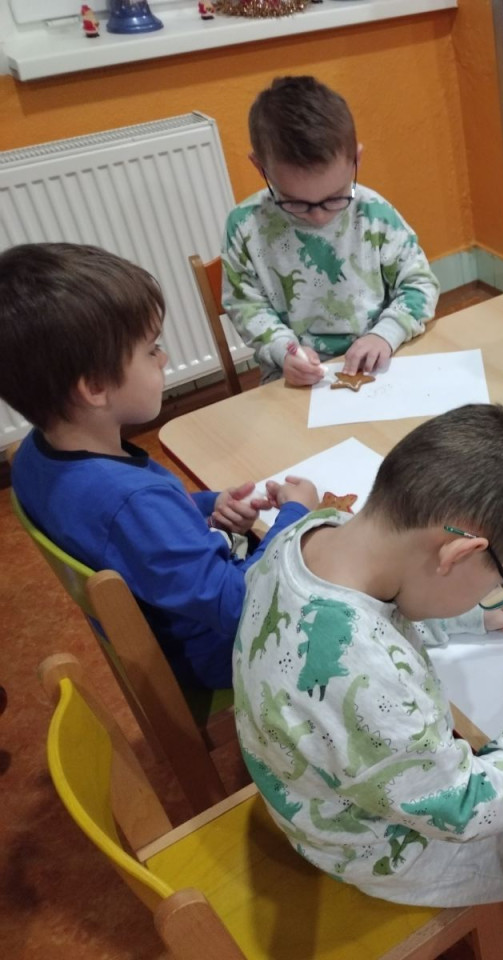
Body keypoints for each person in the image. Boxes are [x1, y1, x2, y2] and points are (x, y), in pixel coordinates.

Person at [234, 404, 503, 907]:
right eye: (498, 582)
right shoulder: (368, 678)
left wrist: (468, 617)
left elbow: (371, 613)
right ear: (456, 555)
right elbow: (467, 808)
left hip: (317, 792)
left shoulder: (311, 533)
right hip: (385, 851)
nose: (493, 595)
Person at [0, 243, 316, 689]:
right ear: (95, 387)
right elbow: (239, 605)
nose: (164, 359)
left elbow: (128, 532)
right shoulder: (133, 501)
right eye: (151, 350)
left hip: (174, 624)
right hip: (221, 651)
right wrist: (296, 518)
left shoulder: (33, 455)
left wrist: (207, 505)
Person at [222, 76, 440, 386]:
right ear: (261, 168)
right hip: (291, 372)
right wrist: (284, 350)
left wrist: (386, 333)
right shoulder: (245, 226)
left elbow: (419, 283)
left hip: (380, 360)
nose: (319, 216)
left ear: (356, 160)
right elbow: (245, 305)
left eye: (336, 197)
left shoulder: (374, 213)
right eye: (295, 202)